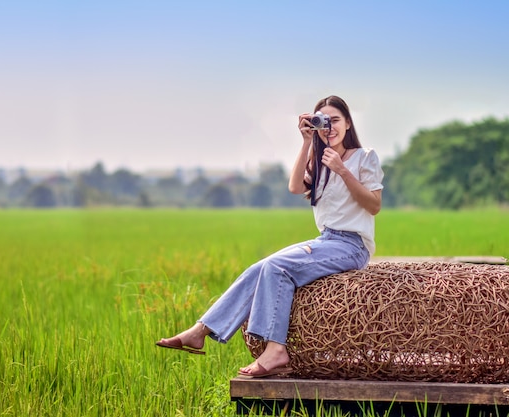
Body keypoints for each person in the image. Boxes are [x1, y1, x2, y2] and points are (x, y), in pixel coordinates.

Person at [156, 95, 384, 378]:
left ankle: (276, 349)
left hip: (352, 245)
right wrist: (305, 143)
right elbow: (294, 186)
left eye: (335, 120)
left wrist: (342, 170)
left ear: (348, 123)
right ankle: (200, 330)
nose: (329, 128)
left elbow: (373, 205)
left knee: (277, 268)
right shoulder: (320, 159)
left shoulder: (364, 157)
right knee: (260, 267)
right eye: (322, 122)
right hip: (326, 239)